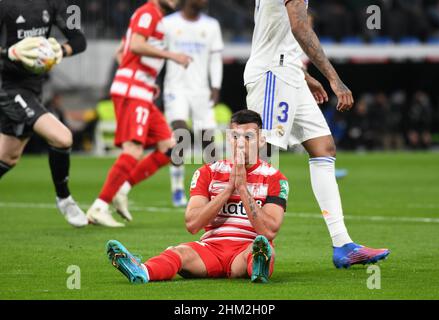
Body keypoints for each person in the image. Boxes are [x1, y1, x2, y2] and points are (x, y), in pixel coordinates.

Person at [244, 0, 389, 268]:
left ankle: (342, 243)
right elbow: (300, 26)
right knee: (258, 154)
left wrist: (303, 74)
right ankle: (240, 245)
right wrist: (334, 78)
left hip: (288, 70)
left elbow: (277, 30)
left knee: (324, 147)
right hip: (272, 73)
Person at [106, 110, 288, 284]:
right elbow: (192, 224)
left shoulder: (275, 178)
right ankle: (142, 271)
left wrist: (242, 188)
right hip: (211, 249)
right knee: (178, 252)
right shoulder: (207, 172)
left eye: (248, 137)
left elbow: (269, 231)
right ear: (227, 139)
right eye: (235, 136)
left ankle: (257, 267)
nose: (240, 143)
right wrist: (227, 191)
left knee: (263, 249)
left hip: (247, 247)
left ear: (262, 140)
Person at [86, 0, 192, 227]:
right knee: (133, 149)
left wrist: (143, 79)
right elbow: (135, 44)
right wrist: (171, 56)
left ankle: (121, 189)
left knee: (171, 148)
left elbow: (120, 51)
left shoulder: (154, 16)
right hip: (132, 93)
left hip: (140, 91)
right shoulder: (149, 12)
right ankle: (99, 207)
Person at [0, 0, 88, 227]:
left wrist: (58, 51)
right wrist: (8, 52)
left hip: (34, 88)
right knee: (62, 136)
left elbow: (79, 40)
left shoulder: (57, 4)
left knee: (8, 156)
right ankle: (64, 198)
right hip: (7, 87)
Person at [162, 0, 224, 207]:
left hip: (201, 90)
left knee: (208, 141)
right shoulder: (168, 23)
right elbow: (158, 55)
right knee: (181, 133)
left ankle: (216, 189)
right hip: (175, 88)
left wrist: (215, 87)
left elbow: (216, 60)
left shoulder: (211, 25)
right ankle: (177, 189)